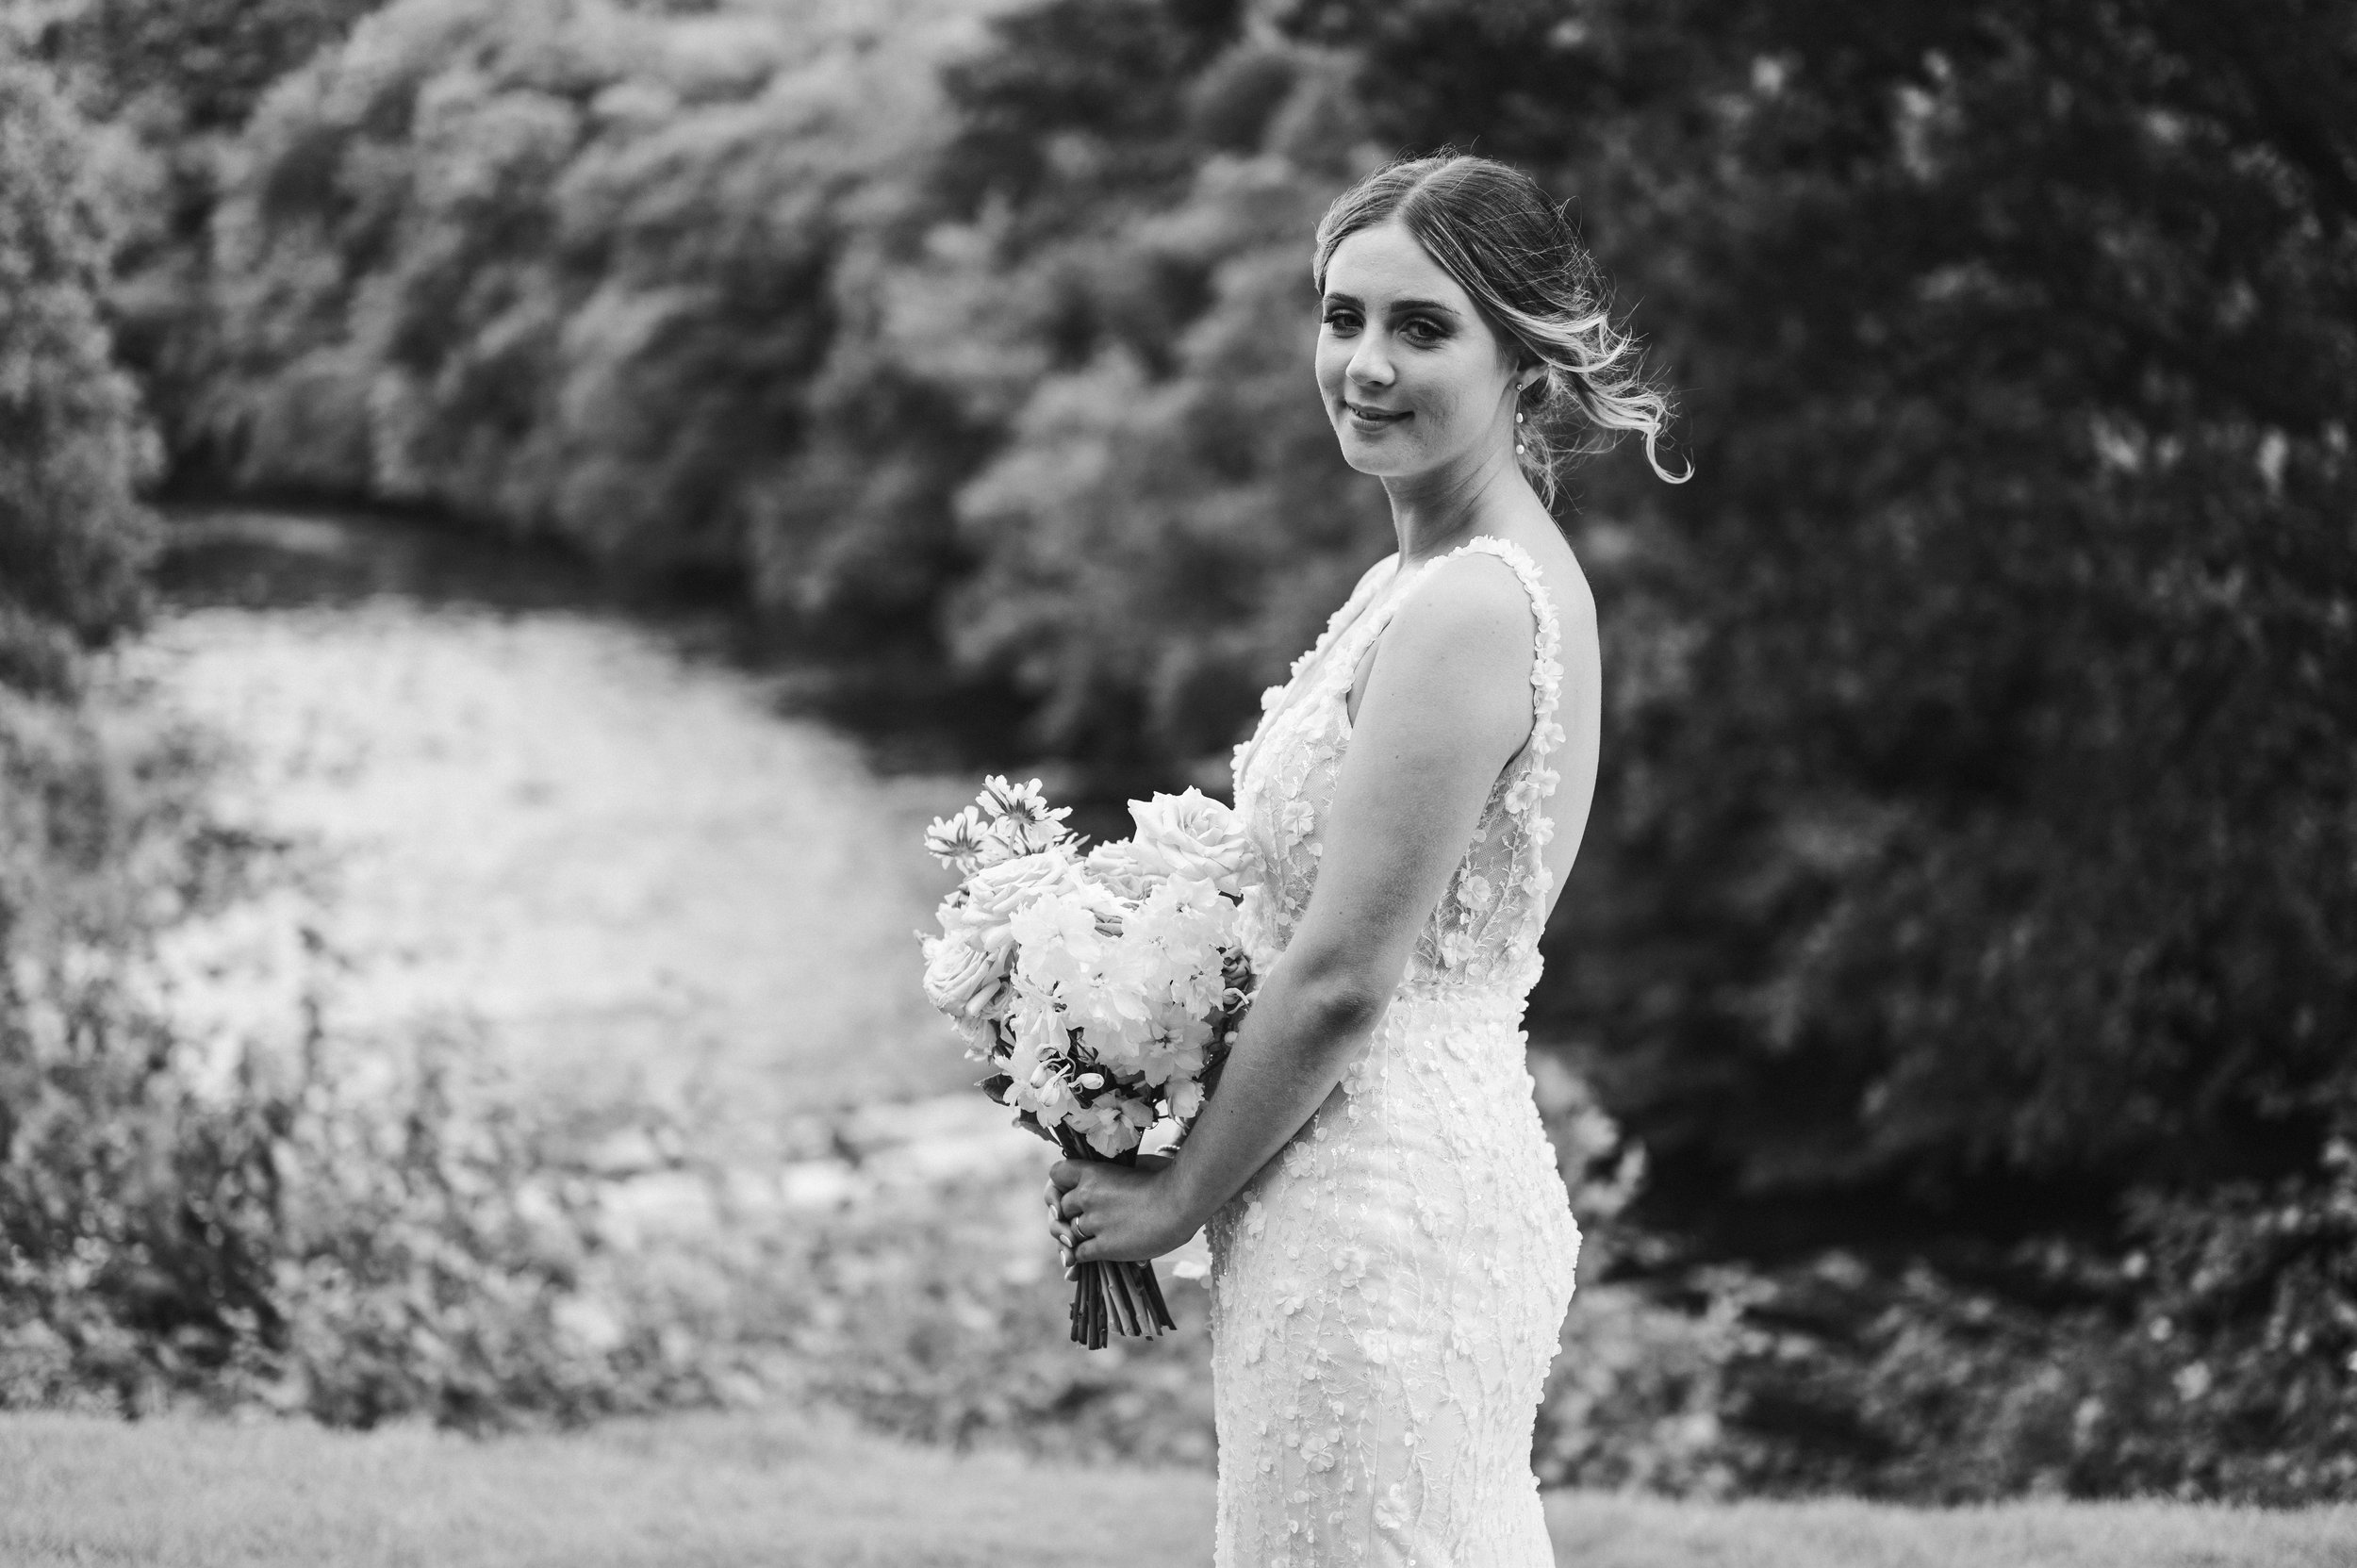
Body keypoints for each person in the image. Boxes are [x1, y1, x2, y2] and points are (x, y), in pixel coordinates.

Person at [1045, 151, 1686, 1566]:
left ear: (1523, 358)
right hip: (1358, 1185)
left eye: (1421, 327)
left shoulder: (1468, 606)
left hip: (1383, 1210)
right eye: (1343, 318)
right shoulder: (1418, 579)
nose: (1367, 365)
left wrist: (1170, 1198)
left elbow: (1342, 976)